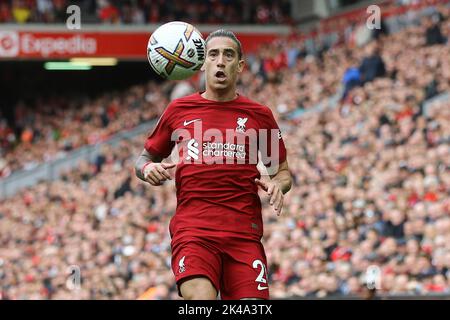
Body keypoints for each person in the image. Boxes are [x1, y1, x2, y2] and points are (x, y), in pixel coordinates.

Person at [135, 29, 292, 300]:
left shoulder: (259, 115)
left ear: (240, 65)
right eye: (213, 54)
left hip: (244, 235)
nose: (220, 61)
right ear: (202, 62)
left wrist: (278, 185)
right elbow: (144, 159)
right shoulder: (178, 110)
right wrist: (148, 169)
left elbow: (283, 172)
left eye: (228, 55)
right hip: (194, 232)